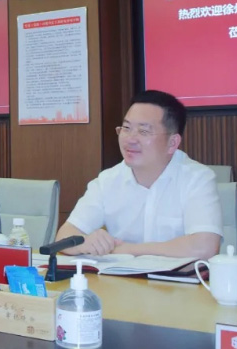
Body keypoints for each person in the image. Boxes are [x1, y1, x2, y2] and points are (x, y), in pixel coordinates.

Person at [56, 90, 222, 259]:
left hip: (175, 277)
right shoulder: (107, 181)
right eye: (126, 128)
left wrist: (125, 249)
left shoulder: (197, 179)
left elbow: (205, 247)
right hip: (119, 276)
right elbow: (64, 236)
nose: (130, 139)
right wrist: (86, 243)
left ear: (172, 143)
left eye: (143, 131)